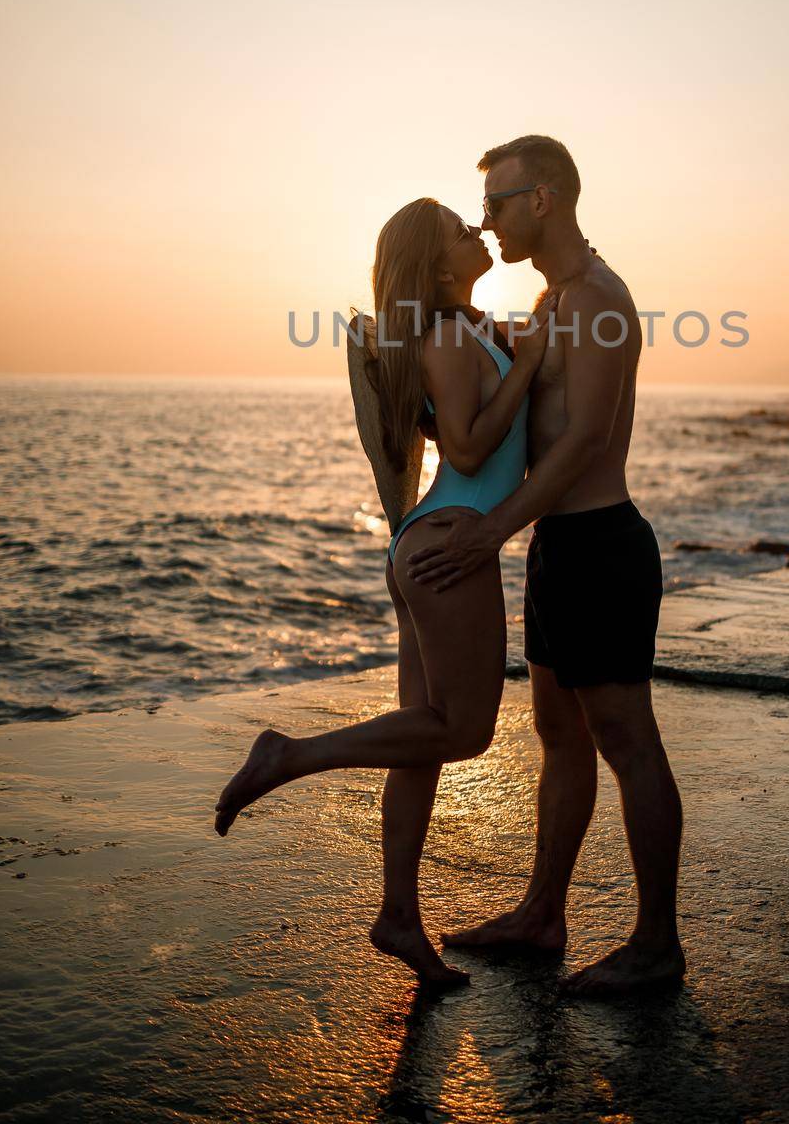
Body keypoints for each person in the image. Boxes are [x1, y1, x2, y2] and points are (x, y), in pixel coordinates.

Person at [213, 197, 552, 989]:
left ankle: (398, 913)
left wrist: (527, 339)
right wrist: (531, 364)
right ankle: (290, 755)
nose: (477, 231)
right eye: (460, 231)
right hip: (451, 546)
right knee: (461, 733)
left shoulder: (463, 327)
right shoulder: (442, 339)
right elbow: (468, 445)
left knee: (419, 742)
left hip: (427, 542)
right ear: (437, 266)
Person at [407, 135, 686, 997]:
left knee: (626, 741)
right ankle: (541, 913)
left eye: (495, 202)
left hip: (603, 545)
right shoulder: (551, 301)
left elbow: (584, 443)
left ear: (546, 199)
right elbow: (500, 416)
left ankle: (655, 944)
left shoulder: (599, 298)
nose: (485, 219)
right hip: (558, 549)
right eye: (480, 207)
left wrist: (490, 532)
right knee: (557, 736)